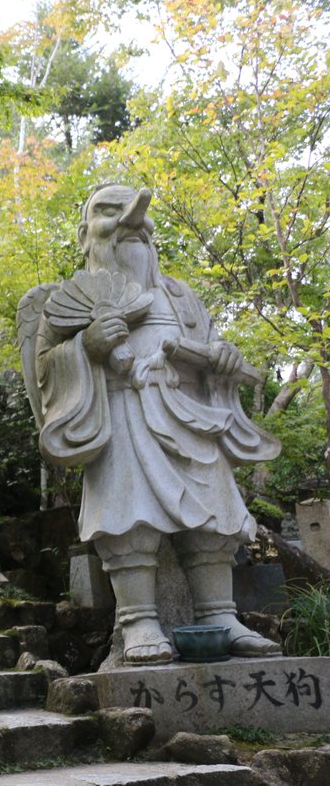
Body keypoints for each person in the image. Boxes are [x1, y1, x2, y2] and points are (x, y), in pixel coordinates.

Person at [19, 183, 282, 665]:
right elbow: (43, 371)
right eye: (108, 212)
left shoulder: (181, 297)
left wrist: (221, 360)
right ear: (84, 234)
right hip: (119, 412)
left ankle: (219, 613)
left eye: (137, 216)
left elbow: (210, 348)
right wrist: (86, 347)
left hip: (188, 415)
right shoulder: (66, 299)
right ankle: (138, 618)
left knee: (214, 515)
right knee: (127, 515)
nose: (129, 222)